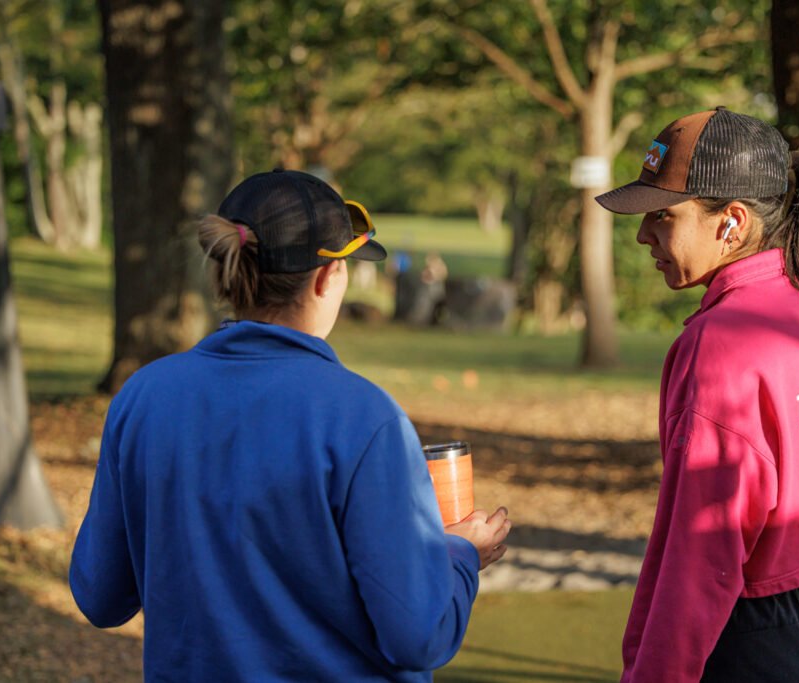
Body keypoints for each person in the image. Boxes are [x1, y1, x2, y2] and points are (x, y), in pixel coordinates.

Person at [70, 169, 512, 681]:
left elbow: (99, 595)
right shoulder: (364, 417)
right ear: (328, 278)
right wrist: (457, 553)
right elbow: (418, 635)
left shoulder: (142, 398)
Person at [595, 108, 799, 682]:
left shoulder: (721, 342)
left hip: (753, 634)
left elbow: (700, 553)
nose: (644, 235)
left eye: (662, 217)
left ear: (731, 222)